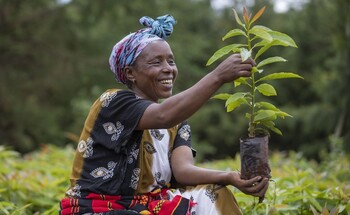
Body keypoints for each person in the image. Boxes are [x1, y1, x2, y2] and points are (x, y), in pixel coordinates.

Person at [60, 14, 269, 215]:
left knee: (214, 193)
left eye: (171, 61)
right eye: (156, 62)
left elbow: (183, 171)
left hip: (150, 207)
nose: (168, 69)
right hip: (100, 209)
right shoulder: (114, 102)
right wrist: (218, 76)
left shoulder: (178, 121)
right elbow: (162, 116)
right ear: (130, 73)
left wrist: (230, 177)